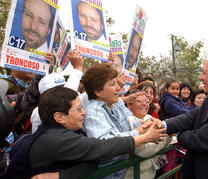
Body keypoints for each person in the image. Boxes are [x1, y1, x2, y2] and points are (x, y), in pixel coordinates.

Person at [5, 86, 165, 179]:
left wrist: (59, 175)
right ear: (59, 116)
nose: (84, 113)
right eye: (79, 109)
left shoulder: (68, 131)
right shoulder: (54, 139)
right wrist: (144, 138)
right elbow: (100, 148)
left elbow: (90, 164)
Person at [82, 63, 160, 179]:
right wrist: (140, 133)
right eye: (113, 84)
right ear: (98, 91)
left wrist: (149, 124)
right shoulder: (93, 113)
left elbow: (133, 122)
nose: (119, 88)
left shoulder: (116, 103)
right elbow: (108, 144)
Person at [125, 91, 171, 179]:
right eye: (139, 101)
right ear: (129, 106)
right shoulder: (127, 122)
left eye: (146, 101)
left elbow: (170, 138)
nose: (144, 104)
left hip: (151, 172)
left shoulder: (149, 117)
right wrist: (167, 136)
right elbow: (143, 151)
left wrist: (166, 135)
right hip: (135, 175)